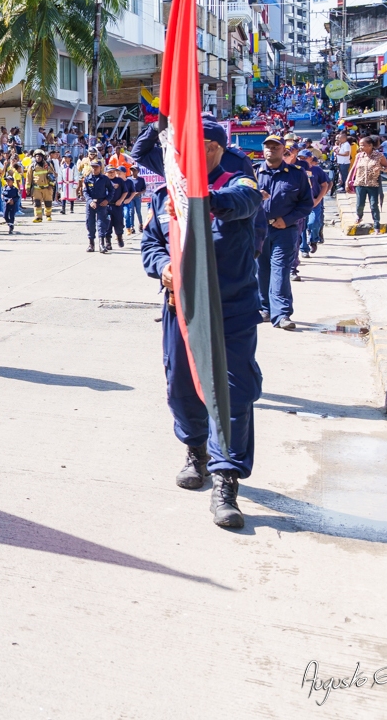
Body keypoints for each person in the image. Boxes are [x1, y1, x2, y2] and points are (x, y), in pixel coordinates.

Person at [140, 119, 265, 529]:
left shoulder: (239, 181)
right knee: (181, 387)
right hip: (182, 308)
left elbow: (242, 203)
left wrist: (199, 198)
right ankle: (196, 452)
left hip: (230, 308)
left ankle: (226, 480)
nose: (176, 156)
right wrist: (163, 269)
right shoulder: (165, 194)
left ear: (212, 148)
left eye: (188, 147)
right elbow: (152, 244)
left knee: (231, 394)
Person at [256, 134, 313, 331]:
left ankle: (282, 314)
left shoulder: (296, 174)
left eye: (275, 146)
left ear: (283, 150)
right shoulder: (253, 173)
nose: (271, 149)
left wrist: (287, 219)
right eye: (268, 146)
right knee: (261, 270)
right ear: (263, 150)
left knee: (279, 269)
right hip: (258, 229)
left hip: (285, 230)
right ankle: (264, 308)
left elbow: (306, 204)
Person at [346, 135, 387, 232]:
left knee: (374, 205)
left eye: (362, 145)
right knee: (360, 203)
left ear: (370, 145)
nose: (360, 147)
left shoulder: (379, 156)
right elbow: (353, 169)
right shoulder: (359, 155)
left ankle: (376, 224)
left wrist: (381, 168)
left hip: (373, 184)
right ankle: (359, 216)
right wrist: (347, 181)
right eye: (360, 145)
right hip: (359, 183)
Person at [82, 160, 114, 253]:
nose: (94, 168)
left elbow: (111, 190)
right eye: (93, 166)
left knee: (101, 224)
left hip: (101, 204)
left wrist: (107, 200)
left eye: (96, 167)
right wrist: (90, 201)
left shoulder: (105, 179)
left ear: (100, 168)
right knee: (90, 224)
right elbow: (85, 191)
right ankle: (91, 244)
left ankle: (102, 244)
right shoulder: (87, 178)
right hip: (91, 204)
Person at [29, 152, 55, 223]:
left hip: (47, 188)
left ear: (42, 157)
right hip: (36, 188)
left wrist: (51, 185)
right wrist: (28, 189)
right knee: (37, 204)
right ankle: (38, 217)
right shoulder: (32, 166)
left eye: (40, 156)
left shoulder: (48, 165)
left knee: (48, 203)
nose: (38, 158)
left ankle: (48, 215)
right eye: (36, 156)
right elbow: (29, 178)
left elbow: (52, 175)